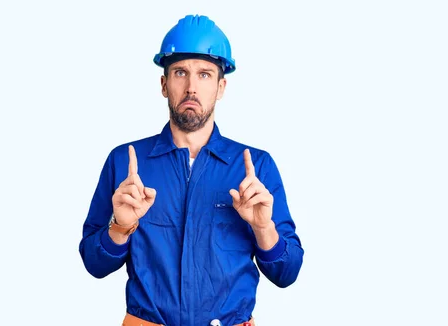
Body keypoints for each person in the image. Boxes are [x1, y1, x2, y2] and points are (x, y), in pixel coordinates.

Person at [78, 14, 304, 326]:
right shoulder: (125, 163)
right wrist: (120, 227)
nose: (191, 87)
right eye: (180, 72)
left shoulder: (256, 168)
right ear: (163, 83)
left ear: (221, 87)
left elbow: (287, 273)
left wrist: (264, 229)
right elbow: (94, 263)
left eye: (205, 75)